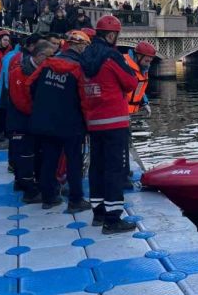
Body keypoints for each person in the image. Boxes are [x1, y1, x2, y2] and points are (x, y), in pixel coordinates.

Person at [79, 15, 138, 234]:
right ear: (112, 35)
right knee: (114, 169)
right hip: (114, 120)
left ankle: (98, 212)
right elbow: (131, 82)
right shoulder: (112, 57)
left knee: (97, 167)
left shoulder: (85, 57)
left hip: (94, 121)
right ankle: (113, 219)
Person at [26, 30, 92, 212]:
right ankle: (76, 200)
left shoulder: (47, 63)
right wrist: (87, 122)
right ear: (79, 45)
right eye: (86, 46)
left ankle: (49, 197)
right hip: (71, 122)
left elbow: (31, 85)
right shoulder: (79, 68)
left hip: (46, 120)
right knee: (74, 161)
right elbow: (85, 98)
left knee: (49, 159)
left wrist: (41, 107)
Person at [7, 40, 56, 203]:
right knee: (24, 155)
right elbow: (20, 100)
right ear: (40, 55)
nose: (52, 59)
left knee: (35, 153)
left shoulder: (45, 71)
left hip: (36, 121)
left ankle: (30, 183)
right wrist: (40, 113)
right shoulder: (19, 72)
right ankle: (28, 189)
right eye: (50, 56)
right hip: (21, 121)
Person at [124, 41, 155, 117]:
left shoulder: (142, 69)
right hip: (120, 112)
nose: (148, 64)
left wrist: (145, 103)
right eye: (147, 61)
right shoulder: (124, 65)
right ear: (138, 56)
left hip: (130, 113)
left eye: (150, 61)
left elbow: (139, 88)